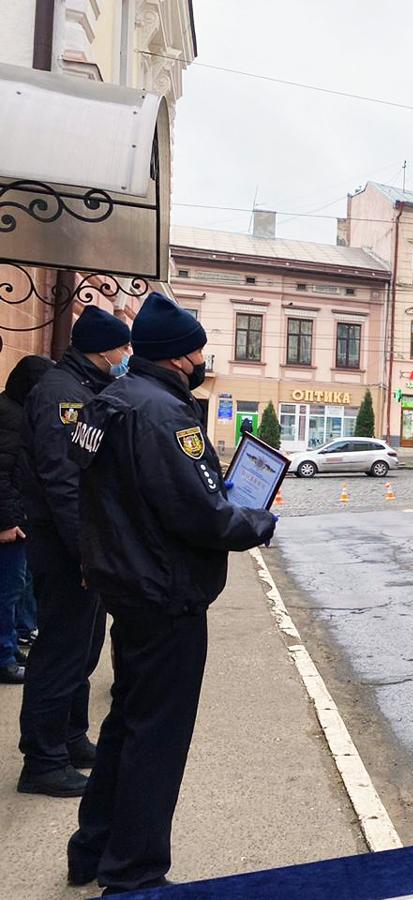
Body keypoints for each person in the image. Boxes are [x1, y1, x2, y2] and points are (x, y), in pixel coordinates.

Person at [65, 293, 277, 893]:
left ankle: (95, 848)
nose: (203, 358)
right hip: (166, 593)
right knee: (157, 736)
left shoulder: (109, 402)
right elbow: (201, 514)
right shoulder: (164, 415)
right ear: (182, 355)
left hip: (127, 585)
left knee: (127, 722)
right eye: (200, 348)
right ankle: (134, 874)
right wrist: (256, 520)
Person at [17, 307, 131, 797]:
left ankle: (68, 737)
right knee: (60, 652)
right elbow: (65, 483)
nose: (126, 355)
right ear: (101, 348)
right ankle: (41, 762)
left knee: (82, 648)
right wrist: (85, 552)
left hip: (79, 544)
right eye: (122, 347)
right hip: (65, 547)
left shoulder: (82, 389)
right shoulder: (63, 394)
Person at [0, 355, 55, 684]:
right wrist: (6, 521)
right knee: (7, 590)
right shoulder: (10, 417)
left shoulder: (15, 411)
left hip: (19, 516)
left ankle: (10, 646)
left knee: (17, 587)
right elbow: (2, 473)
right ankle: (3, 656)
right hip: (10, 521)